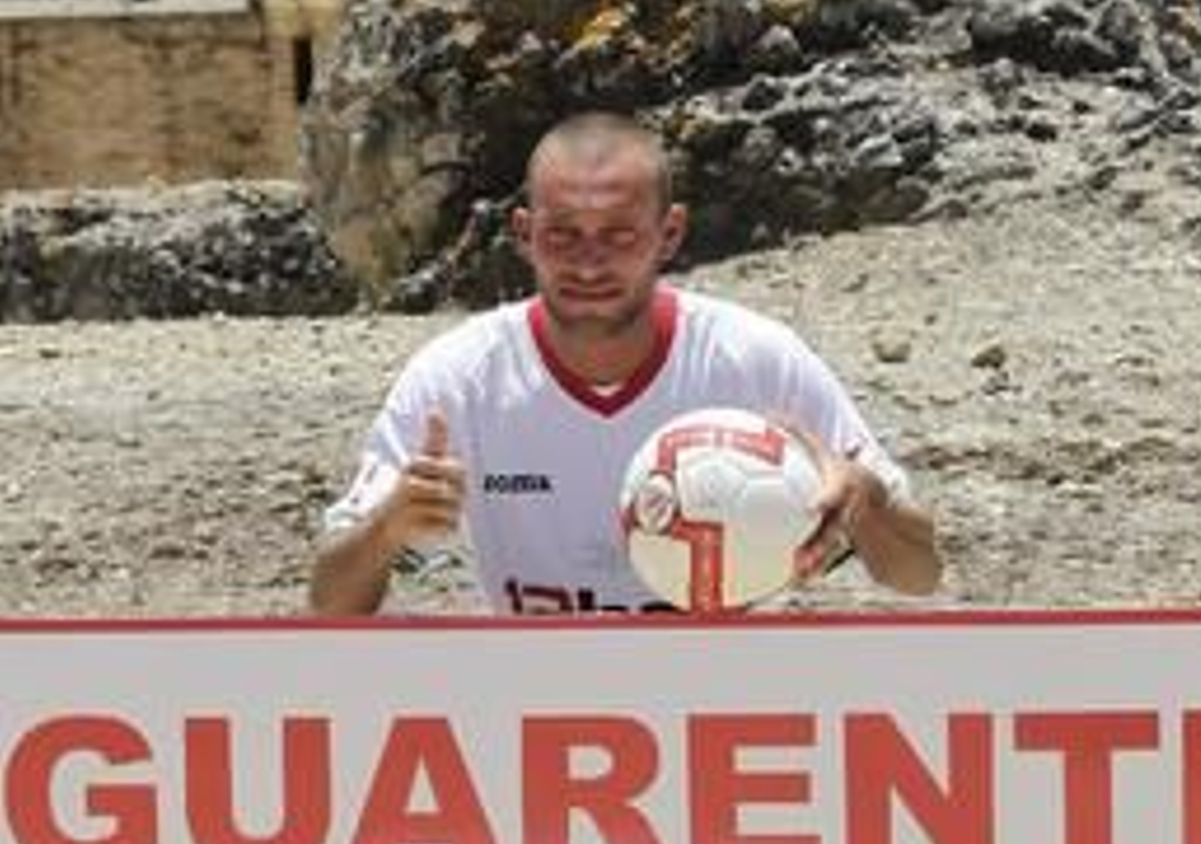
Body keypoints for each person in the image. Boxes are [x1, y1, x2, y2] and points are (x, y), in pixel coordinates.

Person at [311, 111, 941, 616]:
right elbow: (329, 604)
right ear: (524, 233)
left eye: (619, 235)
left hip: (726, 705)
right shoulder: (459, 378)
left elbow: (919, 574)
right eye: (563, 234)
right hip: (534, 705)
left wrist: (868, 502)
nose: (589, 264)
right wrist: (387, 528)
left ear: (669, 233)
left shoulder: (754, 360)